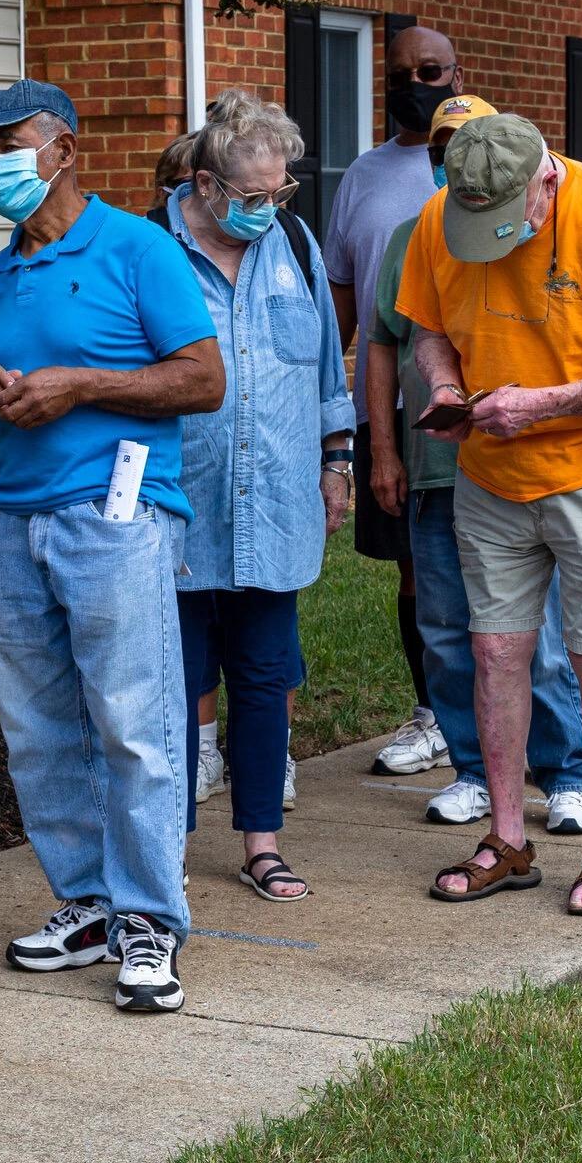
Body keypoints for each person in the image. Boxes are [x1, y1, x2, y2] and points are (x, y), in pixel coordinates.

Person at [0, 79, 225, 1012]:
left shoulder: (138, 247)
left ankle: (151, 918)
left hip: (118, 516)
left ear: (64, 149)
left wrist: (80, 385)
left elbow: (202, 379)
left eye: (8, 144)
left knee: (133, 721)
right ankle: (89, 898)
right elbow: (14, 409)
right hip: (15, 516)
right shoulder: (2, 270)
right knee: (38, 729)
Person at [399, 114, 582, 915]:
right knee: (494, 652)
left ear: (546, 180)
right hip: (492, 472)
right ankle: (506, 837)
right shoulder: (439, 217)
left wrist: (544, 405)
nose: (486, 237)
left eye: (505, 220)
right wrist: (449, 390)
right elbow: (428, 332)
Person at [365, 94, 582, 833]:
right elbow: (386, 339)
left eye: (467, 142)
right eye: (442, 146)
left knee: (545, 641)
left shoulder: (554, 226)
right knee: (446, 628)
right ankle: (471, 769)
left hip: (527, 464)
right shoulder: (415, 235)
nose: (454, 159)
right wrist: (382, 449)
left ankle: (566, 774)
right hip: (437, 462)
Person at [164, 89, 354, 902]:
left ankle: (261, 844)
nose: (269, 209)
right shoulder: (152, 250)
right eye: (252, 197)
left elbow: (323, 369)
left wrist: (337, 458)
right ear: (206, 186)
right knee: (170, 687)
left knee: (264, 678)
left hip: (275, 501)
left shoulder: (296, 243)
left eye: (282, 192)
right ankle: (163, 845)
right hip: (181, 506)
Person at [324, 25, 468, 778]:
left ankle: (524, 715)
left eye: (431, 70)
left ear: (458, 72)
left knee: (503, 568)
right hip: (393, 411)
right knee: (420, 571)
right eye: (401, 72)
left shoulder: (490, 153)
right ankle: (436, 713)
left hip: (484, 409)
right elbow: (345, 313)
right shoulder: (363, 176)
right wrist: (332, 412)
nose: (415, 82)